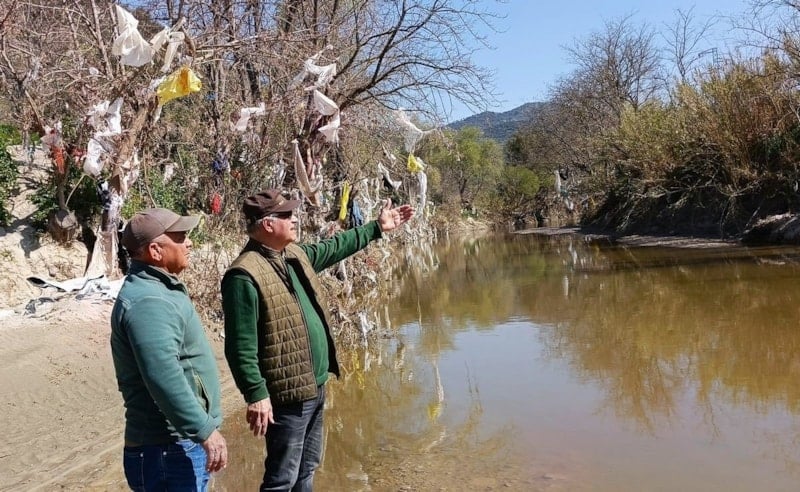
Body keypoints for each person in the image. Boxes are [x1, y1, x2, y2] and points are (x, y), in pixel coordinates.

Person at [222, 189, 414, 491]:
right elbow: (239, 346)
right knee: (281, 479)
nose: (296, 219)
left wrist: (376, 228)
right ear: (268, 224)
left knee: (307, 468)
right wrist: (256, 394)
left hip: (314, 384)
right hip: (287, 395)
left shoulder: (293, 254)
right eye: (287, 215)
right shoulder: (243, 274)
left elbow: (334, 247)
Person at [110, 207, 227, 491]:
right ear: (155, 250)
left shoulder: (159, 290)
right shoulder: (149, 301)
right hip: (166, 449)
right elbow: (163, 376)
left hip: (173, 447)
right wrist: (204, 430)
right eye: (181, 236)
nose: (189, 243)